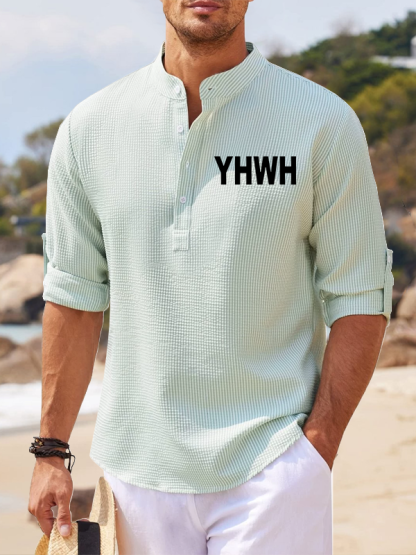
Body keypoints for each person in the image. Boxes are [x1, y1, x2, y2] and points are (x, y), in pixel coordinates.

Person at [28, 0, 394, 553]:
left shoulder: (323, 121)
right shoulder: (89, 129)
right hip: (135, 477)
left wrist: (317, 447)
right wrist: (51, 452)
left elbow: (360, 293)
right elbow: (75, 299)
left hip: (273, 468)